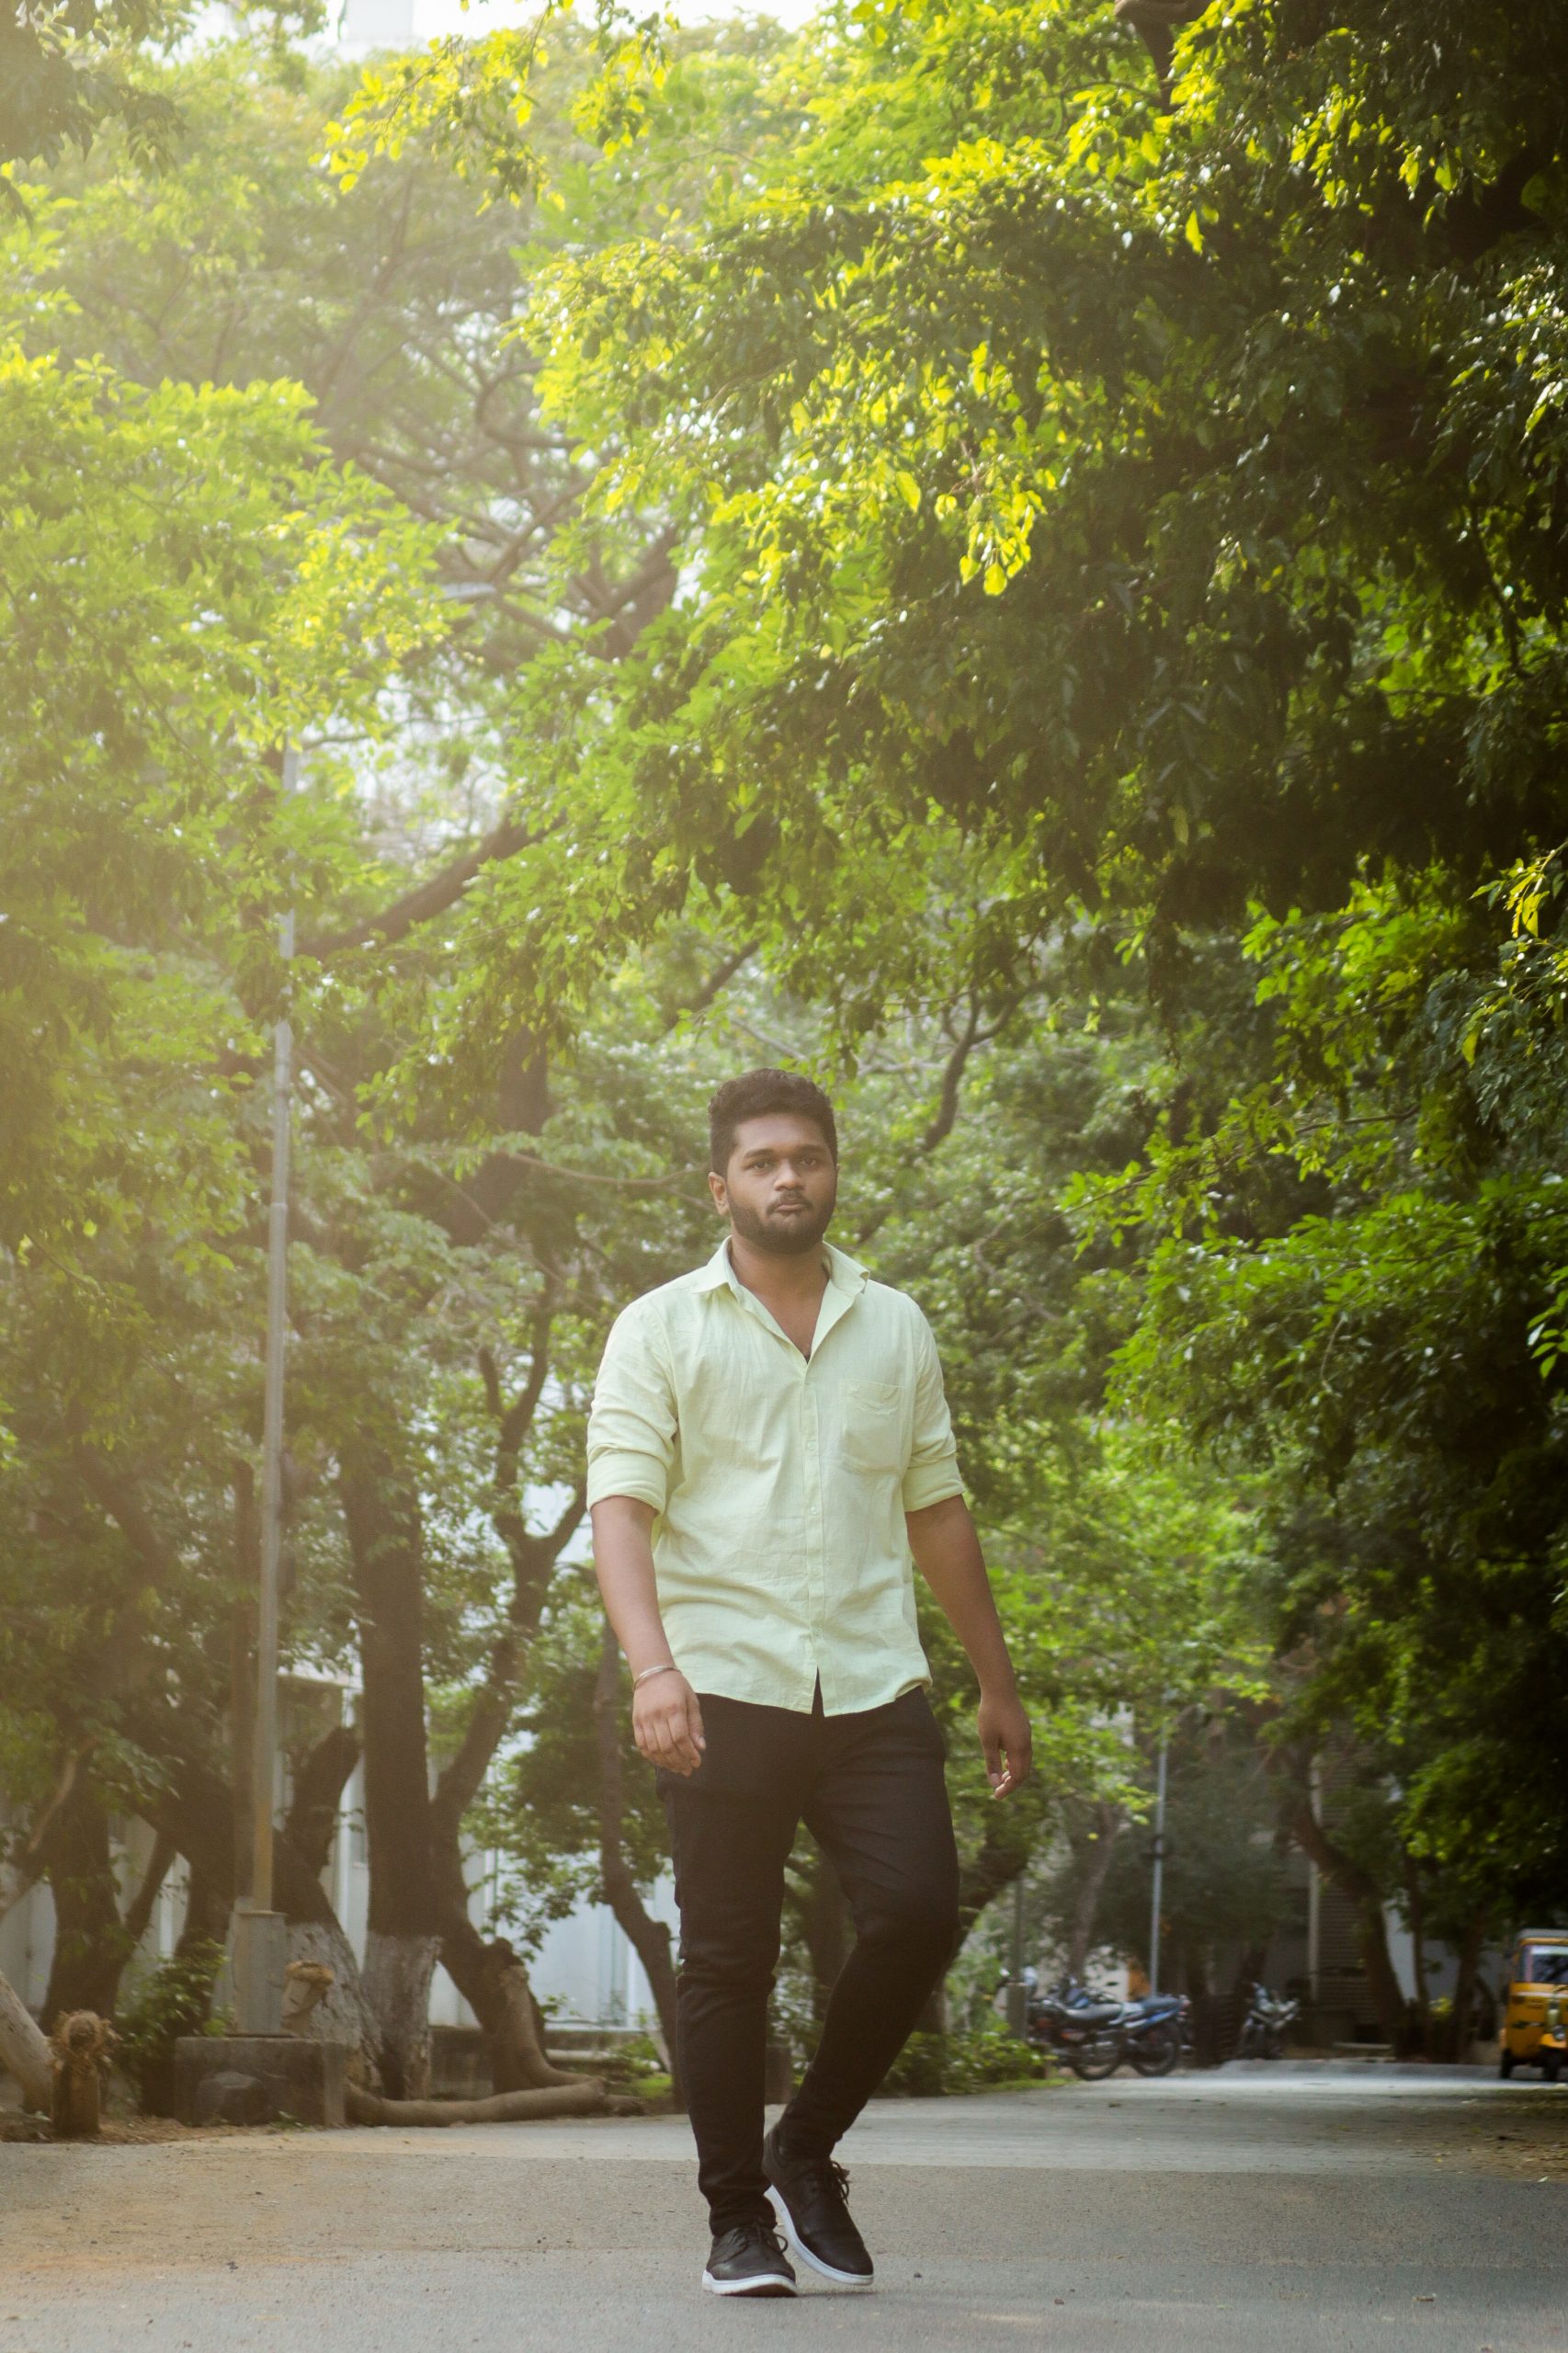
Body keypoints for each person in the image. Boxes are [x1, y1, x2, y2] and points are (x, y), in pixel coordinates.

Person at [588, 1067, 1032, 2299]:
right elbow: (620, 1511)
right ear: (719, 1183)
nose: (789, 1177)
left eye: (808, 1157)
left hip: (873, 1683)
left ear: (833, 1170)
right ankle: (735, 2221)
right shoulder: (658, 1328)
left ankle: (805, 2145)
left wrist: (994, 1684)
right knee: (726, 1961)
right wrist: (652, 1670)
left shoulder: (893, 1325)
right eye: (763, 1161)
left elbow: (935, 1511)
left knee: (915, 1911)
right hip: (720, 1686)